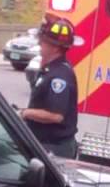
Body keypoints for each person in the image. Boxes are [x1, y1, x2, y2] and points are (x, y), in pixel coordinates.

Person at [20, 16, 78, 158]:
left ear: (55, 47)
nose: (40, 43)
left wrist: (25, 113)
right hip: (45, 144)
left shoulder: (59, 76)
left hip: (55, 149)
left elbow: (56, 115)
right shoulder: (50, 69)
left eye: (44, 41)